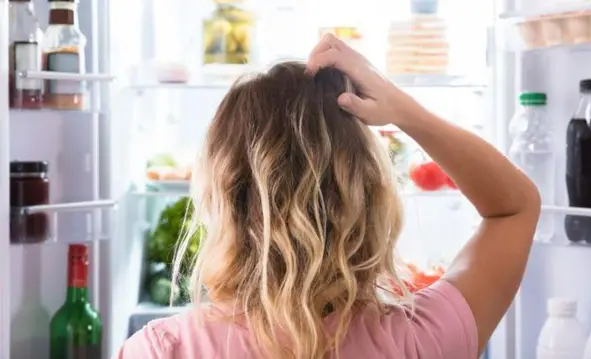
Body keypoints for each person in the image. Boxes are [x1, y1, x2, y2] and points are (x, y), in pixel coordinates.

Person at [115, 34, 540, 359]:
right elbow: (515, 208)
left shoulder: (162, 349)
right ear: (368, 191)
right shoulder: (419, 338)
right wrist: (403, 110)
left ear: (222, 193)